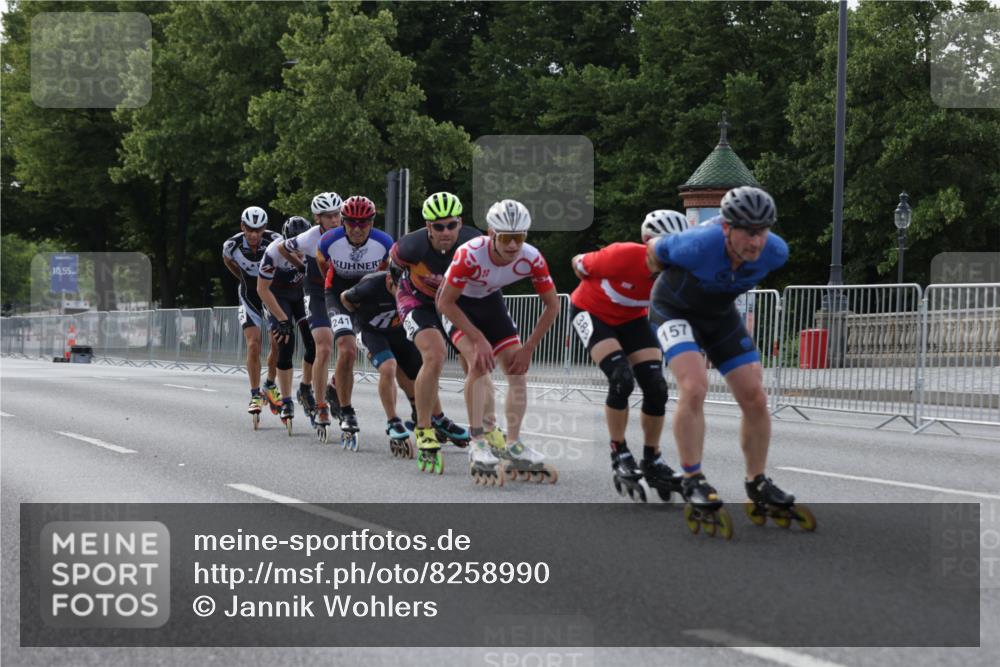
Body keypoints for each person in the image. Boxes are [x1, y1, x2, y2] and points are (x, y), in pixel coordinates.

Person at [646, 186, 814, 537]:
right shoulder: (696, 244)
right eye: (748, 232)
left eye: (763, 231)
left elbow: (760, 252)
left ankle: (757, 483)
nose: (756, 241)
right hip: (673, 309)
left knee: (755, 396)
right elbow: (652, 251)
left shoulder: (775, 252)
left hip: (719, 316)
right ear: (726, 228)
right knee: (694, 386)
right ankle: (692, 478)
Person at [437, 199, 560, 486]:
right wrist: (478, 339)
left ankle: (514, 443)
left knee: (517, 371)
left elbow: (552, 306)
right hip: (457, 305)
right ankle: (477, 441)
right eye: (507, 238)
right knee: (479, 364)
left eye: (519, 237)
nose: (514, 245)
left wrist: (528, 348)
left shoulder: (532, 257)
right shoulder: (469, 254)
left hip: (491, 303)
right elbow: (445, 302)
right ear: (492, 234)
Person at [569, 209, 689, 501]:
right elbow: (577, 262)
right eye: (664, 248)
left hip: (631, 319)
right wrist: (586, 275)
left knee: (657, 387)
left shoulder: (679, 272)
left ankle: (652, 458)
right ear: (648, 243)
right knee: (622, 379)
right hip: (590, 311)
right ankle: (619, 450)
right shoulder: (621, 255)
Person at [389, 192, 475, 472]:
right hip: (415, 299)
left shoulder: (474, 243)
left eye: (451, 225)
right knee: (435, 355)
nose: (445, 232)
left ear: (460, 223)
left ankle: (482, 426)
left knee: (472, 357)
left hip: (452, 302)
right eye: (438, 227)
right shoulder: (409, 247)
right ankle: (424, 427)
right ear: (428, 227)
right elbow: (393, 277)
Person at [339, 262, 454, 459]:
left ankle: (424, 414)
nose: (402, 293)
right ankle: (393, 420)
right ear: (389, 280)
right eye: (398, 288)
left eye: (406, 289)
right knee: (388, 366)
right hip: (371, 332)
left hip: (398, 332)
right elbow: (345, 298)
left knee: (419, 372)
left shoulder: (418, 287)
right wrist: (359, 318)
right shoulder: (370, 286)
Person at [315, 195, 393, 450]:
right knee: (347, 349)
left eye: (364, 223)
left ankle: (336, 384)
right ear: (344, 223)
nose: (358, 229)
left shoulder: (384, 243)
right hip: (337, 295)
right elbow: (321, 265)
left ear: (372, 222)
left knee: (366, 348)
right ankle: (347, 411)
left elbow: (385, 273)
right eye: (351, 223)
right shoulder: (329, 241)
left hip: (367, 295)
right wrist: (334, 290)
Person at [279, 192, 342, 440]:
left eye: (337, 214)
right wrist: (301, 265)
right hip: (316, 292)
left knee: (355, 346)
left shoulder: (349, 233)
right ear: (318, 218)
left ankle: (333, 386)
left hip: (342, 291)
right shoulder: (309, 237)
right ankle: (320, 406)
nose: (335, 220)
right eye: (329, 216)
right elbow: (283, 247)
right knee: (323, 348)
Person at [221, 205, 282, 422]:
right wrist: (243, 278)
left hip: (271, 295)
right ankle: (255, 394)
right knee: (254, 343)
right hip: (249, 296)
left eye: (258, 229)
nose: (254, 234)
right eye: (249, 229)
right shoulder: (232, 245)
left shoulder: (275, 240)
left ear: (264, 228)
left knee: (278, 342)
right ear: (242, 227)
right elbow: (228, 261)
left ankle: (271, 383)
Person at [257, 216, 316, 430]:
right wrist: (281, 318)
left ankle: (305, 387)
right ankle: (287, 400)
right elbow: (262, 290)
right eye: (293, 248)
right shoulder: (273, 253)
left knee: (313, 342)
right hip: (276, 297)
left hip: (300, 296)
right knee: (286, 341)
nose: (298, 253)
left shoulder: (314, 245)